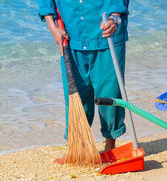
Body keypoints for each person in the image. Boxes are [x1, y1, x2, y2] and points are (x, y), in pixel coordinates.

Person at [38, 0, 129, 157]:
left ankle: (110, 145)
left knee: (110, 92)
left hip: (108, 34)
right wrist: (53, 28)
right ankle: (77, 148)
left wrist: (115, 17)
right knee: (76, 96)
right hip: (71, 35)